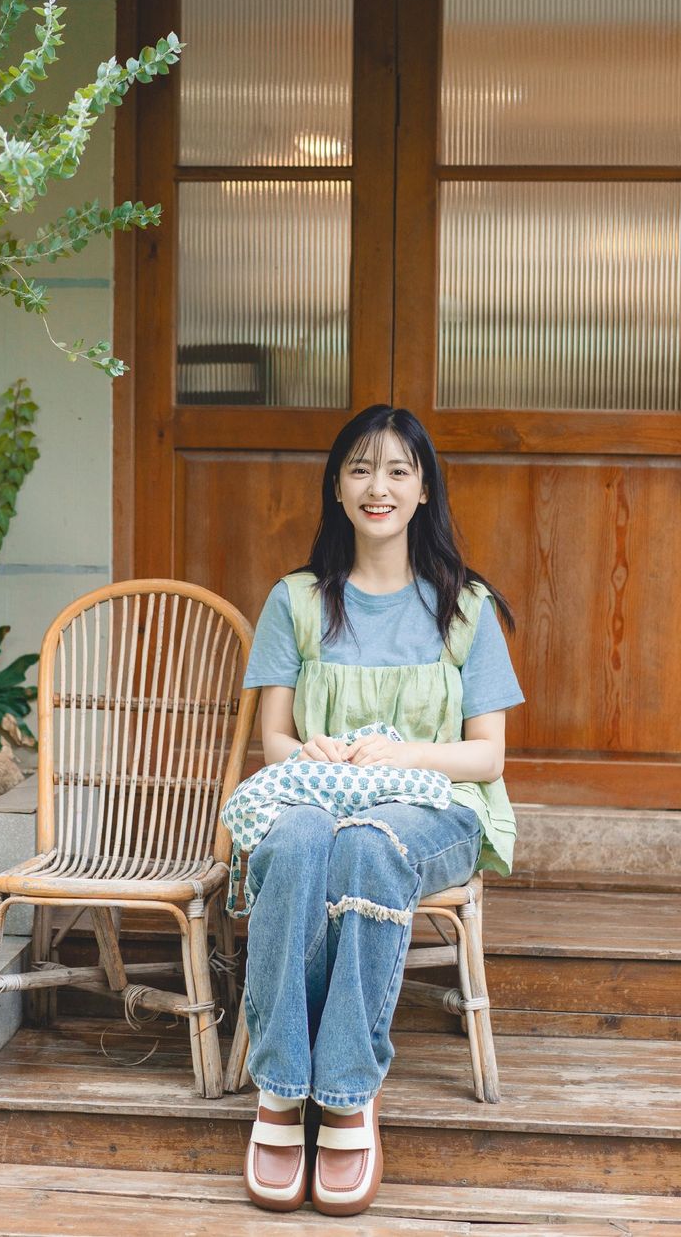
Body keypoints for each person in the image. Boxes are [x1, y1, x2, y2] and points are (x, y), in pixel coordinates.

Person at [238, 404, 524, 1216]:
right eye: (361, 468)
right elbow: (275, 745)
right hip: (319, 799)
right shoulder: (294, 602)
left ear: (424, 489)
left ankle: (348, 1092)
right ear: (336, 486)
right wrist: (316, 753)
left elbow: (486, 757)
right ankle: (281, 1089)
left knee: (369, 843)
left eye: (398, 470)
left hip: (438, 810)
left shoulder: (464, 606)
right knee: (295, 840)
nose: (379, 486)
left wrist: (401, 754)